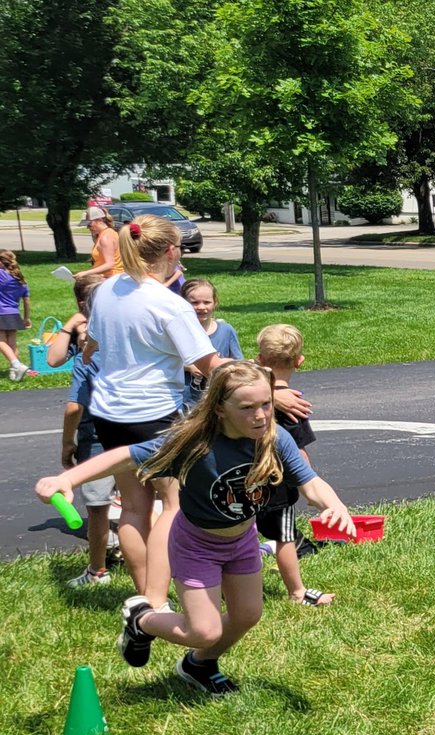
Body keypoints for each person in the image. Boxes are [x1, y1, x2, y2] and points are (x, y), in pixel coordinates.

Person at [35, 361, 355, 697]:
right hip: (196, 545)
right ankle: (141, 619)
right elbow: (125, 457)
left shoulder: (274, 438)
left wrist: (334, 505)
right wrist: (66, 479)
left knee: (247, 615)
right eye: (247, 408)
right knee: (204, 630)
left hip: (243, 540)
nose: (260, 415)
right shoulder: (194, 442)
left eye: (266, 404)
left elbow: (311, 483)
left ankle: (198, 665)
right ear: (219, 409)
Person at [84, 215, 226, 610]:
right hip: (153, 416)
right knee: (173, 506)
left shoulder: (108, 289)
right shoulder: (169, 305)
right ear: (170, 251)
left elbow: (91, 344)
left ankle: (149, 597)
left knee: (132, 506)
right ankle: (157, 598)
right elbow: (210, 364)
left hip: (109, 413)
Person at [254, 323, 333, 605]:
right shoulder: (293, 404)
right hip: (277, 486)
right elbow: (298, 452)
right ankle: (296, 592)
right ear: (300, 361)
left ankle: (235, 588)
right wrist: (307, 486)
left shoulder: (248, 397)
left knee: (239, 536)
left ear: (259, 360)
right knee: (284, 539)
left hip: (242, 481)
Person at [58, 275, 122, 586]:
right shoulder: (132, 347)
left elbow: (74, 408)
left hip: (97, 441)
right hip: (138, 436)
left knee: (97, 509)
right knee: (143, 505)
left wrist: (66, 443)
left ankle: (98, 570)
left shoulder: (87, 358)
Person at [182, 279, 243, 407]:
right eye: (195, 302)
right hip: (186, 401)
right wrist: (189, 367)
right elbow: (167, 362)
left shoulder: (226, 331)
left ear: (215, 303)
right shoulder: (180, 331)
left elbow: (239, 362)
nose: (201, 307)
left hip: (217, 400)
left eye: (207, 302)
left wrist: (225, 363)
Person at [0, 250, 32, 381]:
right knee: (12, 344)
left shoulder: (1, 276)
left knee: (1, 341)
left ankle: (16, 364)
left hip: (1, 313)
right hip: (14, 313)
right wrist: (26, 317)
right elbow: (26, 300)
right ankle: (15, 373)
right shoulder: (20, 279)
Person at [75, 207, 124, 280]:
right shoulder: (104, 234)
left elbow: (110, 264)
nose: (88, 227)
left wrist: (86, 273)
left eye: (89, 224)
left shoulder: (106, 237)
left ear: (99, 220)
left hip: (111, 278)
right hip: (107, 277)